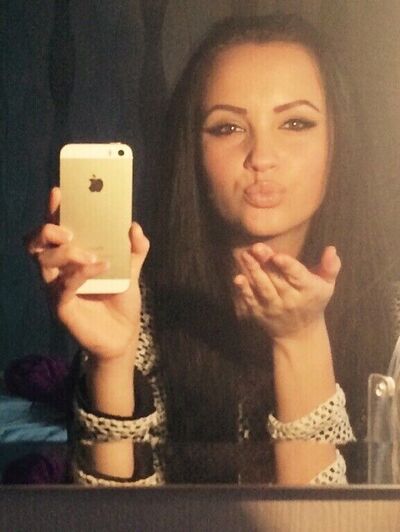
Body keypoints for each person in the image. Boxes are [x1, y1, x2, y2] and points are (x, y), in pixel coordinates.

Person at [28, 13, 394, 486]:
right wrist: (111, 363)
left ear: (337, 142)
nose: (261, 157)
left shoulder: (393, 324)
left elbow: (329, 520)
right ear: (193, 151)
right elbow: (116, 518)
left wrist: (301, 340)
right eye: (228, 128)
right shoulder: (142, 314)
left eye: (295, 123)